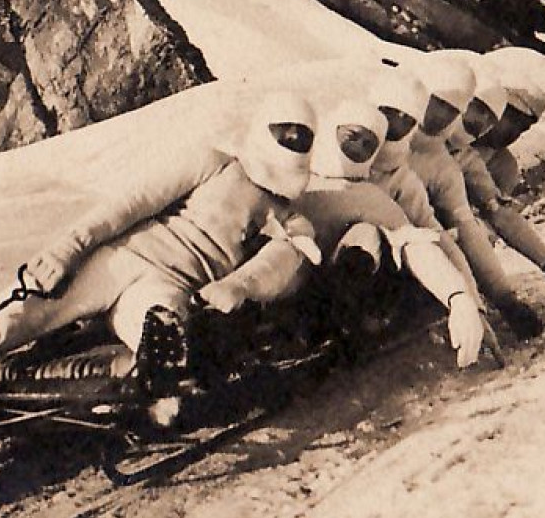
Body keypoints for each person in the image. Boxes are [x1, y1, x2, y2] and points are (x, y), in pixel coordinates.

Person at [0, 92, 321, 421]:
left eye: (302, 137)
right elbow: (130, 204)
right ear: (264, 127)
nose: (291, 142)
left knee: (162, 324)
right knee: (9, 318)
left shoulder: (290, 213)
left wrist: (237, 288)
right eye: (285, 131)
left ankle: (157, 392)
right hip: (121, 257)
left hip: (171, 285)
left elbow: (286, 264)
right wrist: (67, 249)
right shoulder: (214, 162)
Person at [204, 97, 489, 368]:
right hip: (268, 275)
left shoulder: (370, 197)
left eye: (369, 144)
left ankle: (338, 328)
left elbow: (416, 243)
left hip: (326, 287)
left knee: (366, 234)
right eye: (353, 135)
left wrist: (461, 298)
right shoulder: (291, 174)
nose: (359, 146)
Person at [404, 54, 545, 338]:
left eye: (524, 128)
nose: (482, 123)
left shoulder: (469, 163)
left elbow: (485, 216)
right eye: (512, 120)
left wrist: (506, 298)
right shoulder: (403, 126)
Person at [452, 82, 545, 309]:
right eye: (512, 121)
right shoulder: (445, 129)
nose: (513, 134)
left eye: (523, 128)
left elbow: (499, 215)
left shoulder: (503, 166)